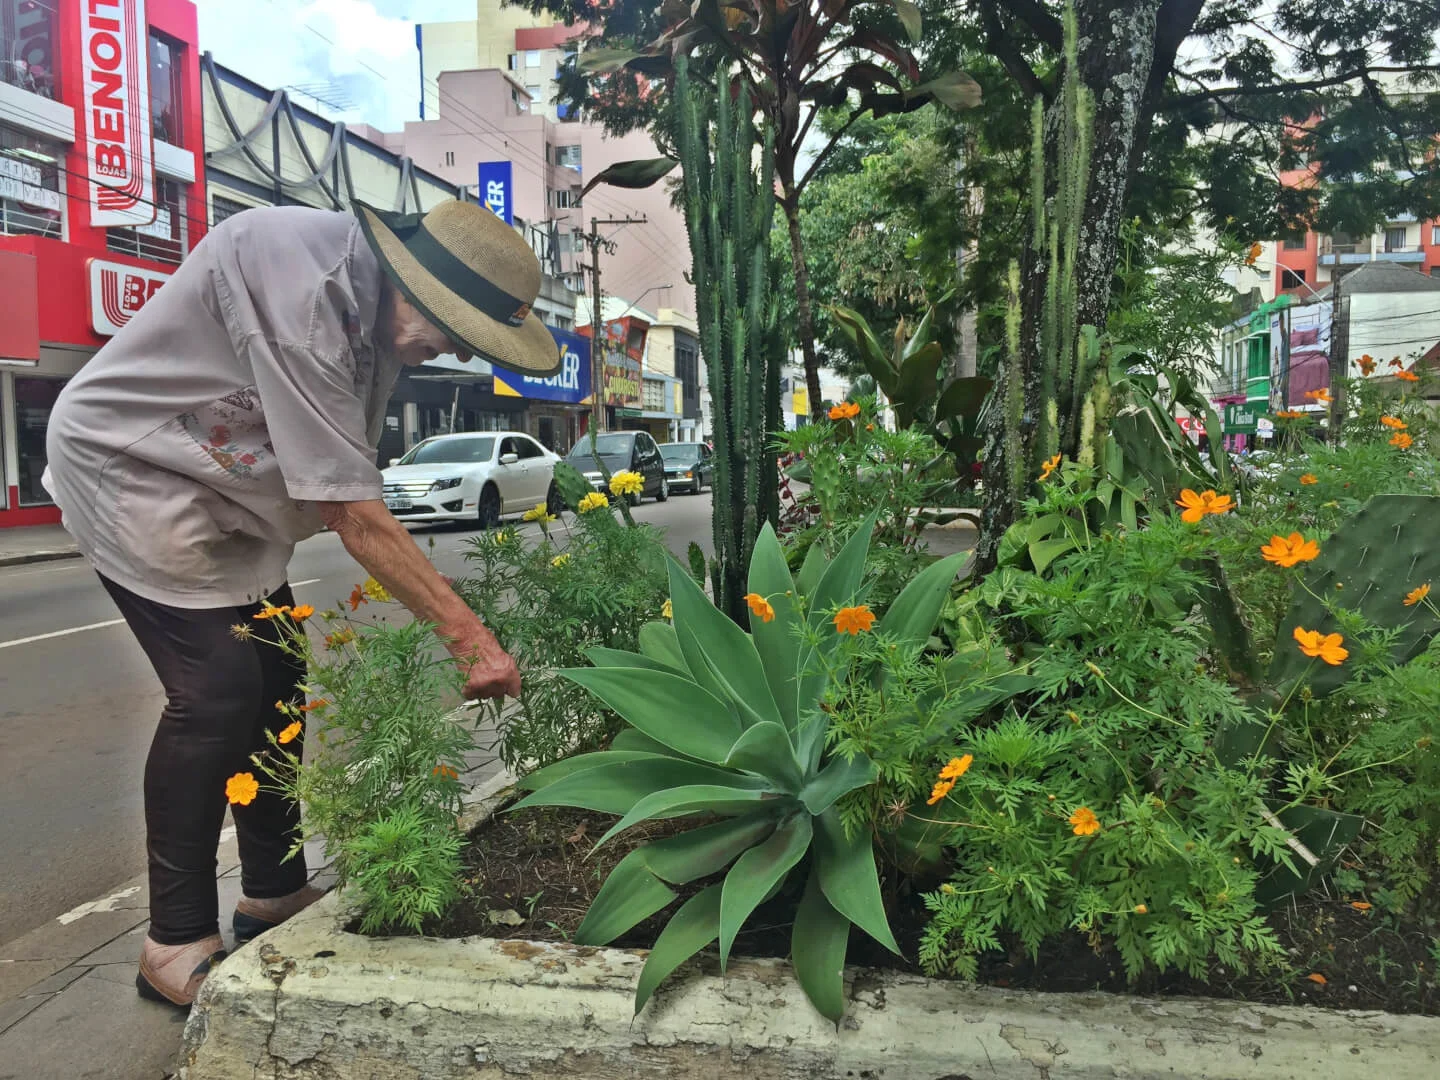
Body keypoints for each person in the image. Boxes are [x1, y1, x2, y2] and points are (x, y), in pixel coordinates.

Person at [42, 198, 561, 1007]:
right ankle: (172, 940)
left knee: (278, 681)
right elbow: (349, 509)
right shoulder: (303, 288)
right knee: (216, 690)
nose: (456, 350)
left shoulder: (378, 311)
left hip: (229, 490)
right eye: (455, 329)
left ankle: (272, 892)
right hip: (137, 472)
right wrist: (469, 636)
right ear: (411, 282)